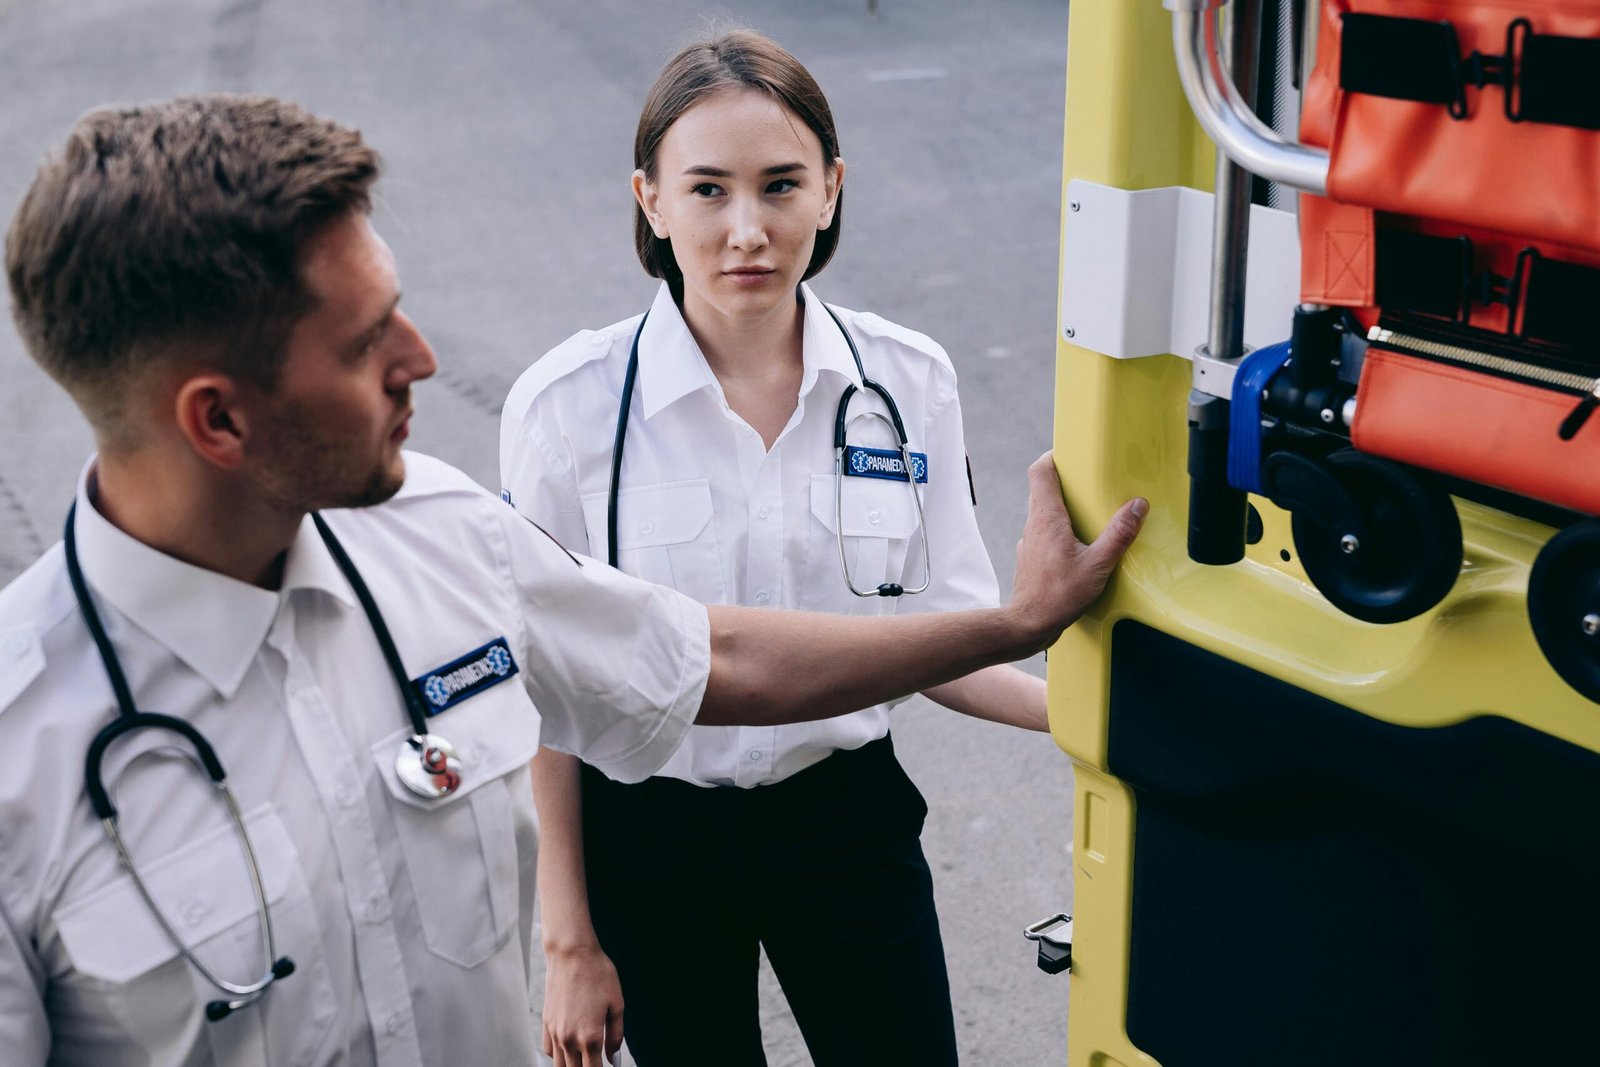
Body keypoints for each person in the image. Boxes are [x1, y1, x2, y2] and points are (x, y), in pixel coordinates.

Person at [0, 94, 1143, 1064]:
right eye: (363, 342)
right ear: (217, 417)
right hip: (660, 853)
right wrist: (573, 937)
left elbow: (720, 656)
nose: (425, 359)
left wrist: (1024, 633)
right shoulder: (22, 769)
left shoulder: (447, 539)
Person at [499, 30, 1065, 1067]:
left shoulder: (908, 382)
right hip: (649, 833)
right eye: (707, 190)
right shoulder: (568, 407)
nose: (746, 229)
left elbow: (946, 634)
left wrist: (1097, 722)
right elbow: (549, 693)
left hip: (846, 822)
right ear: (651, 200)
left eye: (780, 185)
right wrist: (568, 938)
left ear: (832, 190)